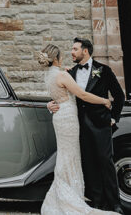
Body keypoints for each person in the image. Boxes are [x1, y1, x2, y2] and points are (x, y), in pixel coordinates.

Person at [37, 43, 119, 215]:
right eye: (67, 53)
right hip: (71, 120)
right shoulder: (65, 74)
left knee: (76, 157)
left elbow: (56, 94)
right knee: (76, 158)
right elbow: (82, 95)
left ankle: (110, 201)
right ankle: (80, 198)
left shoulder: (51, 75)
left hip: (69, 119)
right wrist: (104, 101)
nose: (71, 53)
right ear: (57, 59)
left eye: (75, 49)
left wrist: (49, 104)